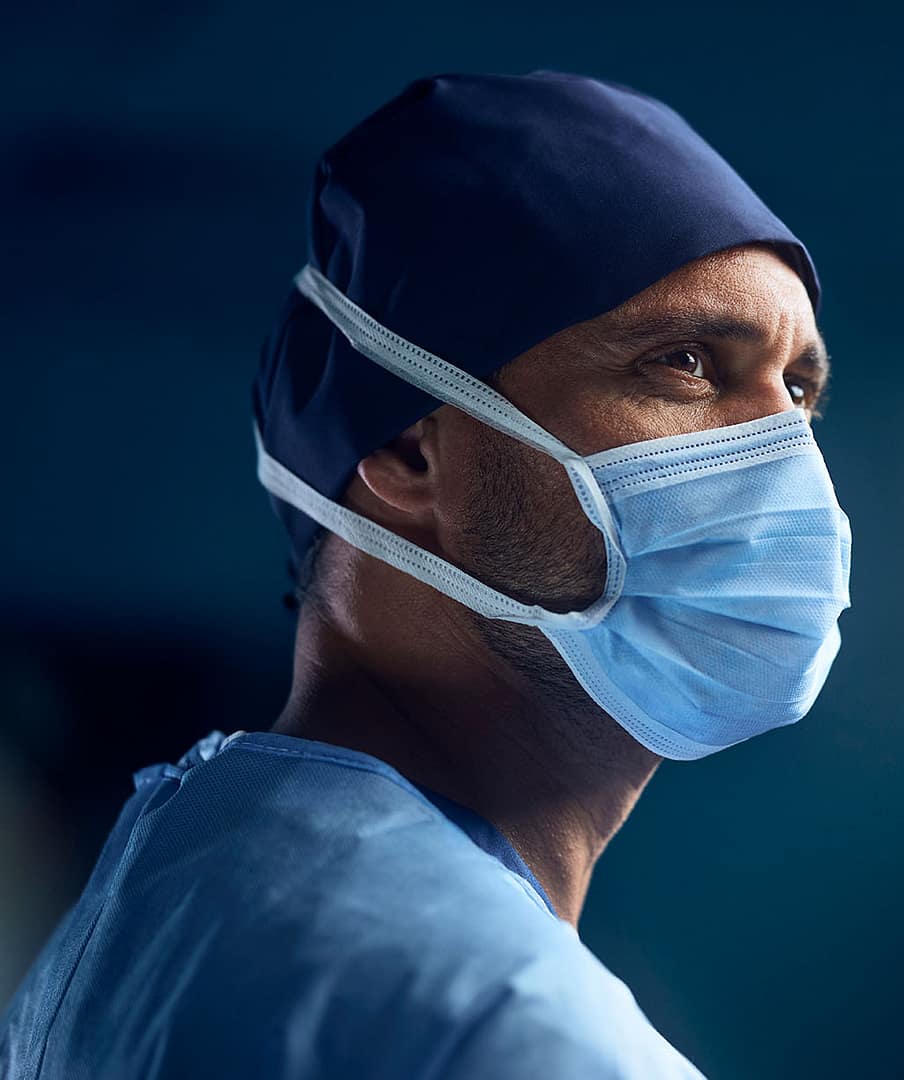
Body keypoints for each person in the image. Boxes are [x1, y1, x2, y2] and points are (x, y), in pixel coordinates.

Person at [2, 71, 851, 1078]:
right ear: (407, 448)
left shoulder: (176, 889)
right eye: (686, 363)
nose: (786, 454)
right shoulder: (494, 1024)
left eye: (798, 389)